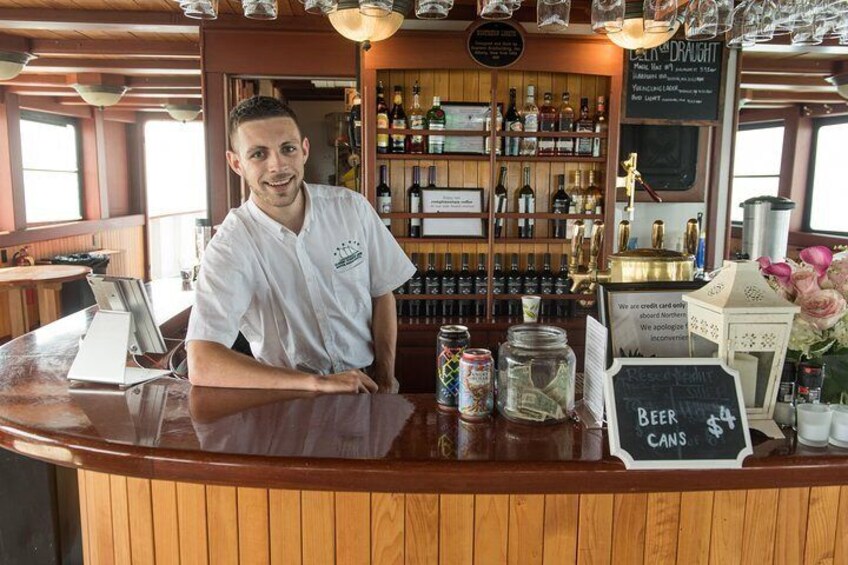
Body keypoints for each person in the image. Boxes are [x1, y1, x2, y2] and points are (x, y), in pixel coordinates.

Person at [186, 96, 414, 394]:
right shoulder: (231, 245)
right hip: (289, 396)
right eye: (258, 154)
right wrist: (316, 384)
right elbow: (202, 363)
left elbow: (381, 294)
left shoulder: (351, 208)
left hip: (366, 386)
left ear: (304, 150)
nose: (277, 166)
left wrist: (385, 378)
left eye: (287, 149)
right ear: (236, 163)